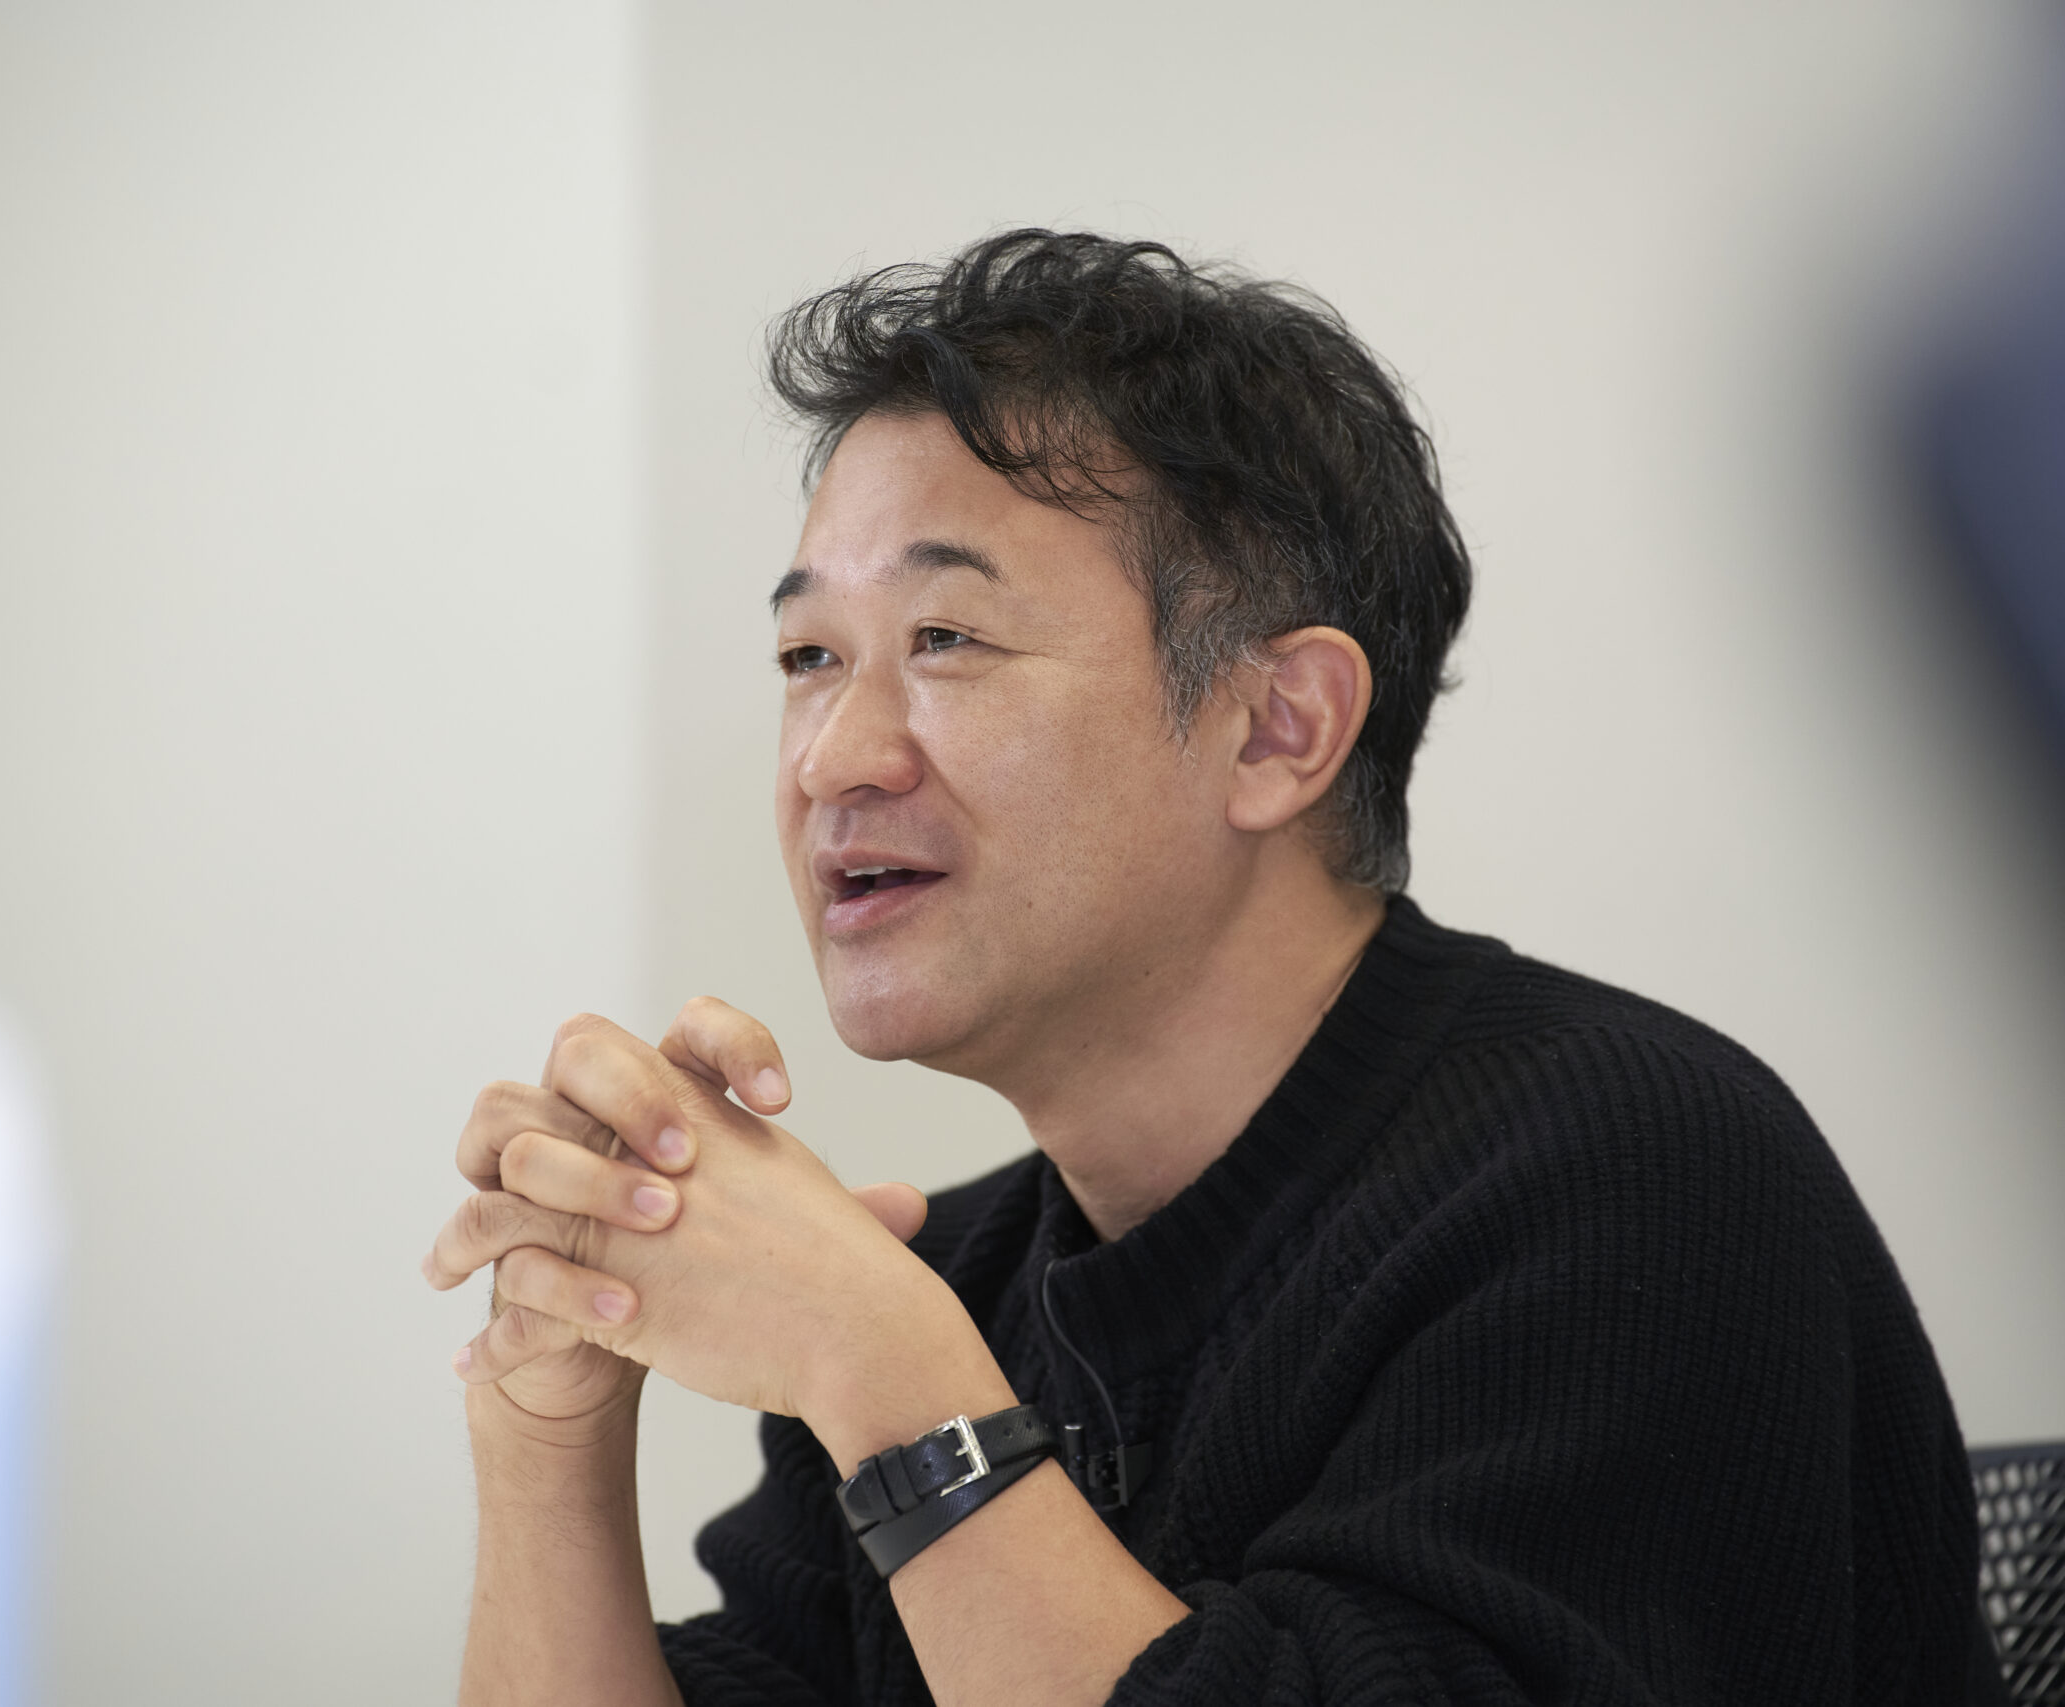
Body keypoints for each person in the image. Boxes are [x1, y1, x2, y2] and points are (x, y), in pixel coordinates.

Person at [421, 230, 1994, 1706]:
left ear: (1276, 729)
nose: (835, 755)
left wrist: (883, 1377)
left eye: (948, 640)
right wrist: (550, 1410)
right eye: (807, 657)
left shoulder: (1636, 1176)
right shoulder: (954, 1281)